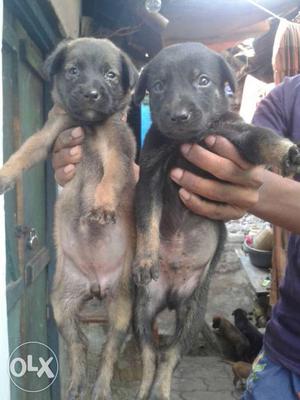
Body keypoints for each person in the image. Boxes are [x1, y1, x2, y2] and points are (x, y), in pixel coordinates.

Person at [52, 75, 300, 399]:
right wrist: (112, 176)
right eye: (160, 86)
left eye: (201, 81)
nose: (180, 105)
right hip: (287, 348)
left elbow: (247, 175)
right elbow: (246, 161)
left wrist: (249, 188)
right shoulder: (286, 98)